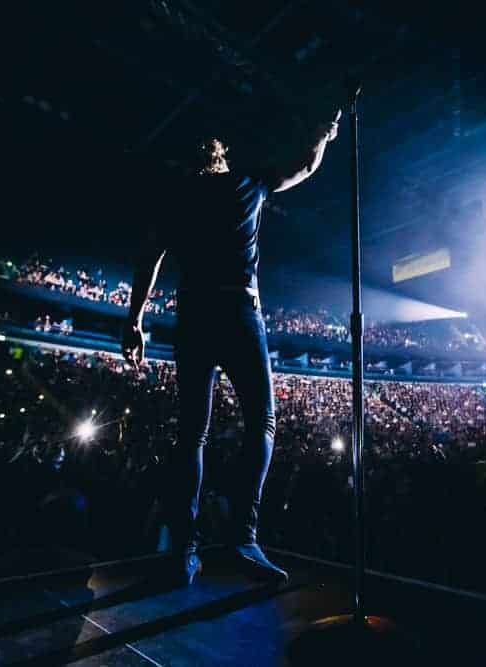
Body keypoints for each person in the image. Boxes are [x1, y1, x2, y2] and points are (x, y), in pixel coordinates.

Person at [123, 114, 340, 584]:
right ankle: (242, 539)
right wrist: (322, 133)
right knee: (261, 421)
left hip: (194, 316)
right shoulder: (246, 183)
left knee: (191, 433)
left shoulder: (173, 199)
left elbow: (148, 261)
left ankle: (184, 551)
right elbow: (302, 166)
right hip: (240, 314)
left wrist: (135, 321)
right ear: (221, 154)